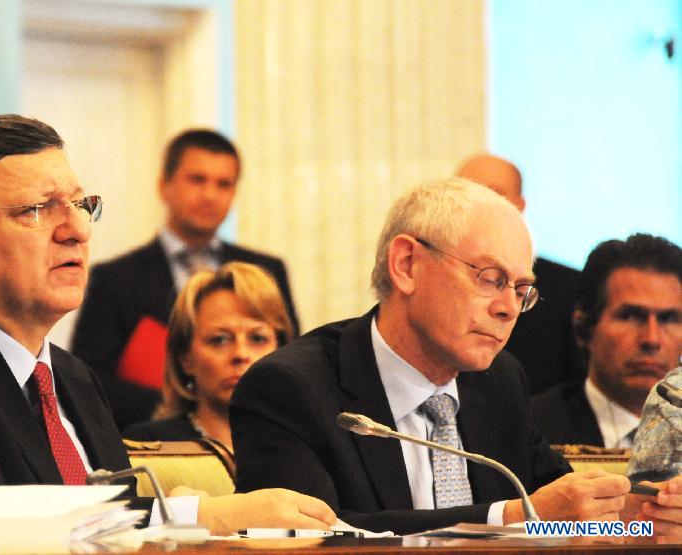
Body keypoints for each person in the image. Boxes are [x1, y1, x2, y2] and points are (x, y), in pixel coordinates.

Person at [0, 115, 335, 534]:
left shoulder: (71, 377)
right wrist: (203, 515)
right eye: (38, 210)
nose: (78, 230)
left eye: (82, 205)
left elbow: (113, 518)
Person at [231, 178, 682, 535]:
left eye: (521, 290)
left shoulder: (499, 381)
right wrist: (508, 518)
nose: (508, 308)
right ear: (406, 264)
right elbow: (312, 537)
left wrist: (631, 512)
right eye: (490, 278)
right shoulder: (290, 388)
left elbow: (554, 510)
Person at [71, 129, 298, 430]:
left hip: (256, 431)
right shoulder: (116, 279)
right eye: (197, 180)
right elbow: (88, 380)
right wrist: (186, 401)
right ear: (164, 185)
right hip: (150, 438)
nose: (210, 195)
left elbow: (291, 360)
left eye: (224, 184)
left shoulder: (266, 269)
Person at [124, 262, 293, 451]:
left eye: (257, 338)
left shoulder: (304, 447)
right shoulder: (150, 446)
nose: (241, 354)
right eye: (219, 340)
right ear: (185, 358)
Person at [533, 234, 682, 447]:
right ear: (584, 328)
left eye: (668, 319)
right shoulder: (531, 430)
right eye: (630, 316)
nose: (652, 339)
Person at [456, 153, 584, 394]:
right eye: (465, 196)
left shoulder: (567, 288)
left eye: (491, 195)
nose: (475, 207)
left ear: (519, 206)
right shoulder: (438, 278)